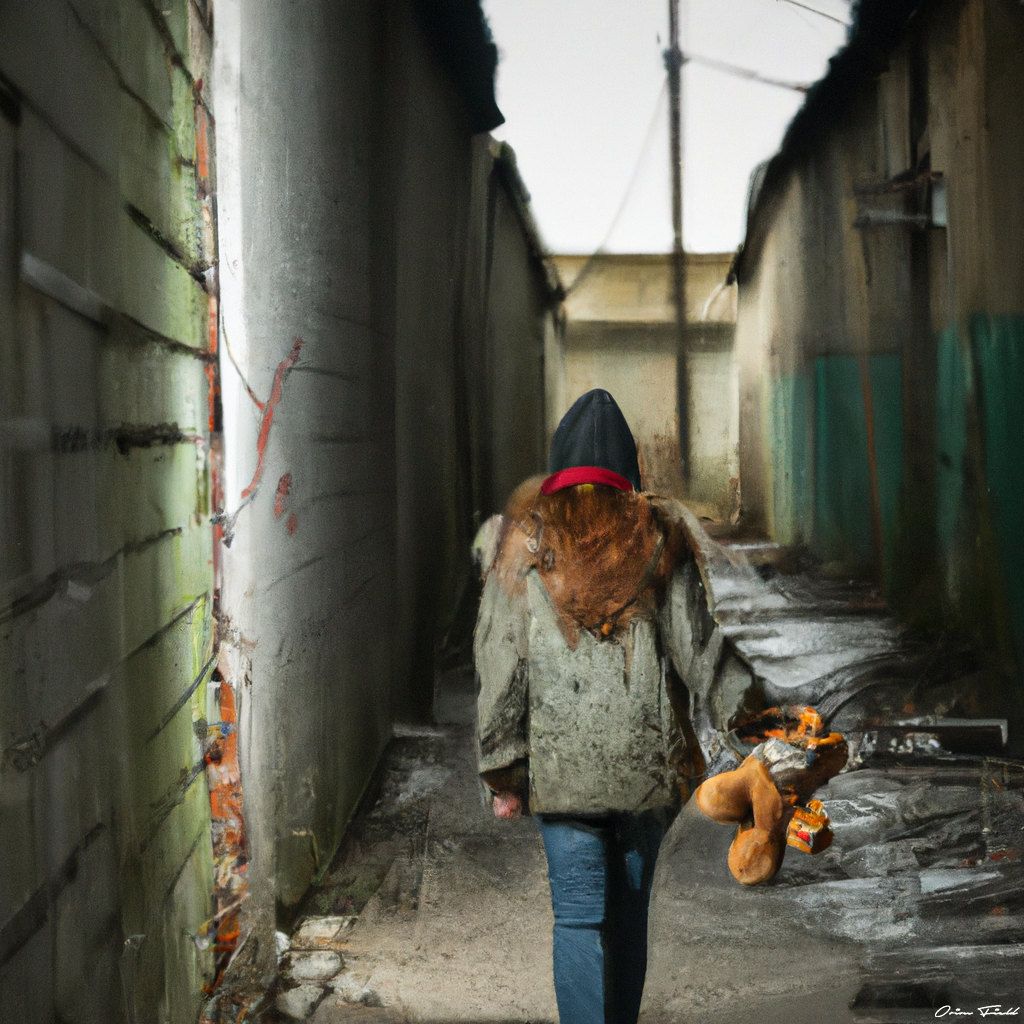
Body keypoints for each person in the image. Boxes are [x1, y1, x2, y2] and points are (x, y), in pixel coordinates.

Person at [474, 390, 701, 1024]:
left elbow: (501, 665)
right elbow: (699, 651)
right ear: (630, 473)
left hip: (563, 775)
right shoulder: (662, 538)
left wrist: (503, 770)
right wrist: (754, 728)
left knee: (578, 917)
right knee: (629, 917)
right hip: (645, 772)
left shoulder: (523, 546)